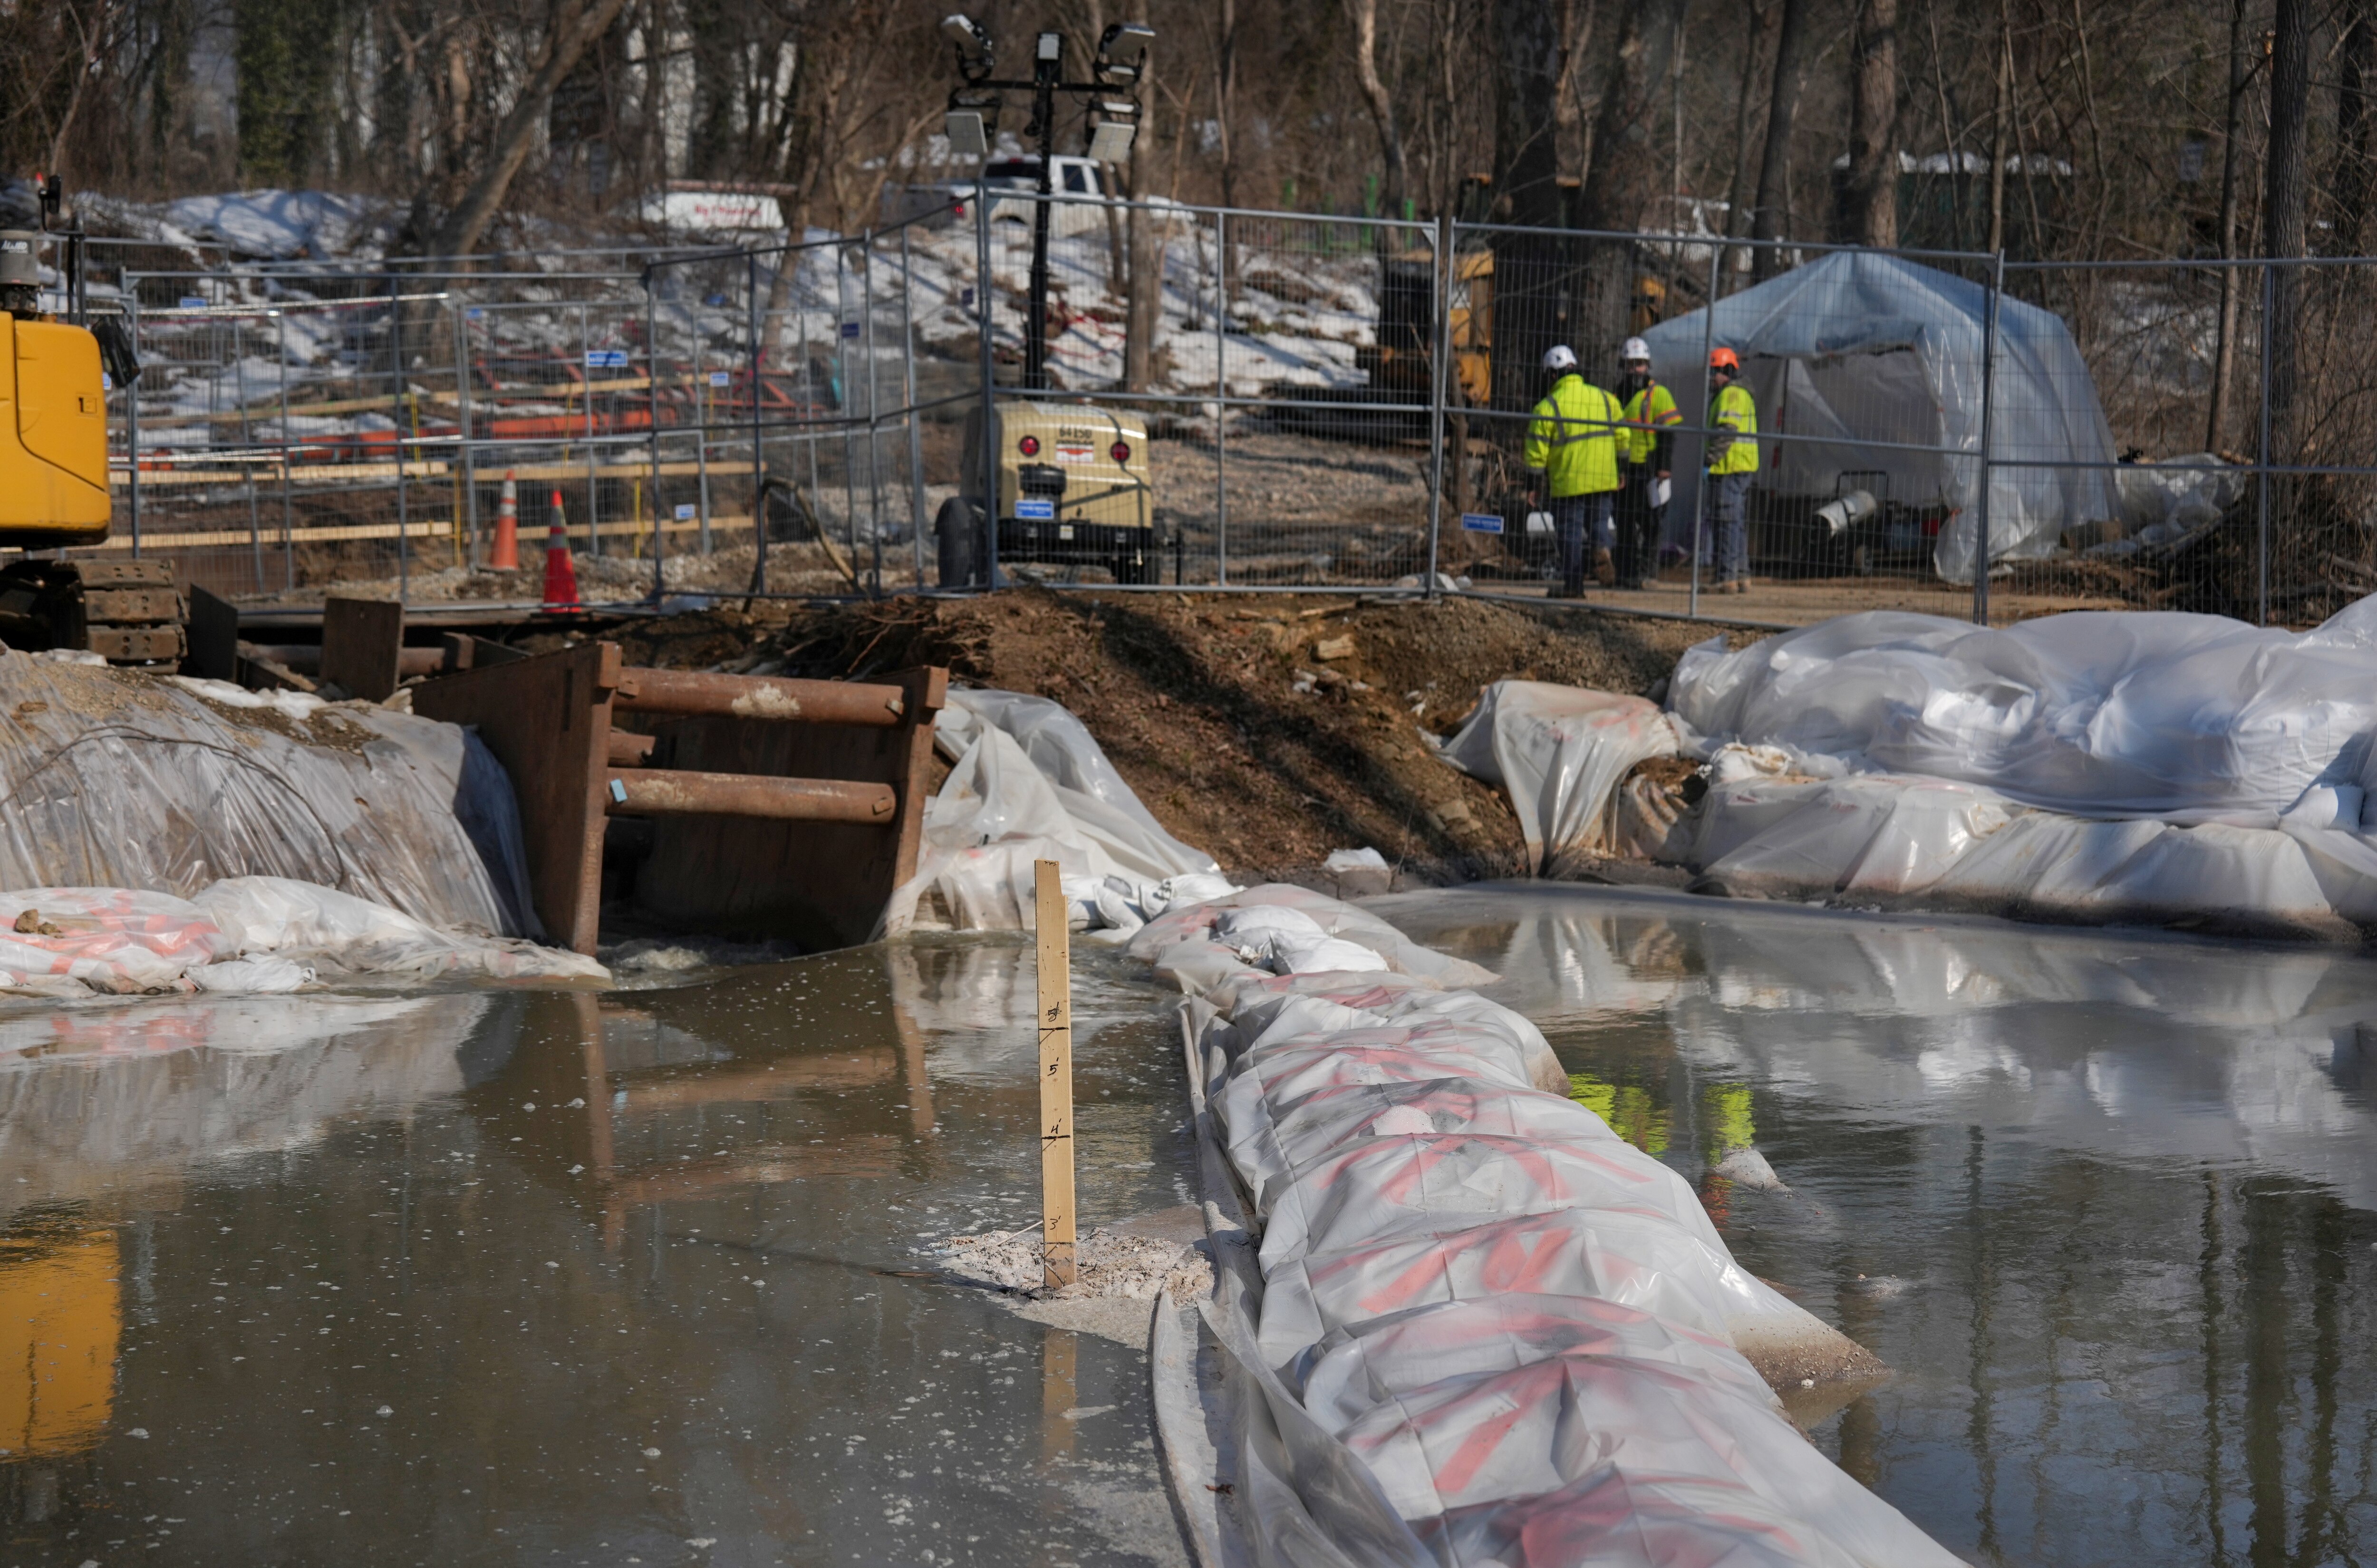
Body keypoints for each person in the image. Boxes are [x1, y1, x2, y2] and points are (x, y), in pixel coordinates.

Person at [1522, 344, 1623, 597]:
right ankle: (1602, 547)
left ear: (1553, 375)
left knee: (1570, 535)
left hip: (1569, 483)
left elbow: (1536, 454)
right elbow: (1623, 435)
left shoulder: (1546, 408)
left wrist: (1533, 485)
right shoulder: (1606, 398)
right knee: (1599, 523)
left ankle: (1574, 588)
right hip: (1603, 477)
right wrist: (1622, 470)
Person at [1614, 337, 1680, 590]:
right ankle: (1626, 575)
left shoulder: (1658, 394)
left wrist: (1664, 468)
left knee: (1652, 525)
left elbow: (1668, 434)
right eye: (1631, 365)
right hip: (1625, 470)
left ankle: (1648, 575)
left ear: (1648, 365)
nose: (1636, 370)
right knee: (1625, 524)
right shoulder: (1617, 394)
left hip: (1651, 471)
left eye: (1640, 364)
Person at [1702, 346, 1759, 594]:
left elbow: (1727, 432)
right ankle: (1741, 575)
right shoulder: (1741, 393)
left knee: (1725, 522)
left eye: (1713, 372)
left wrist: (1709, 459)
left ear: (1724, 371)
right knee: (1735, 522)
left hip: (1729, 466)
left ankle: (1726, 578)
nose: (1711, 379)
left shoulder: (1731, 394)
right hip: (1740, 467)